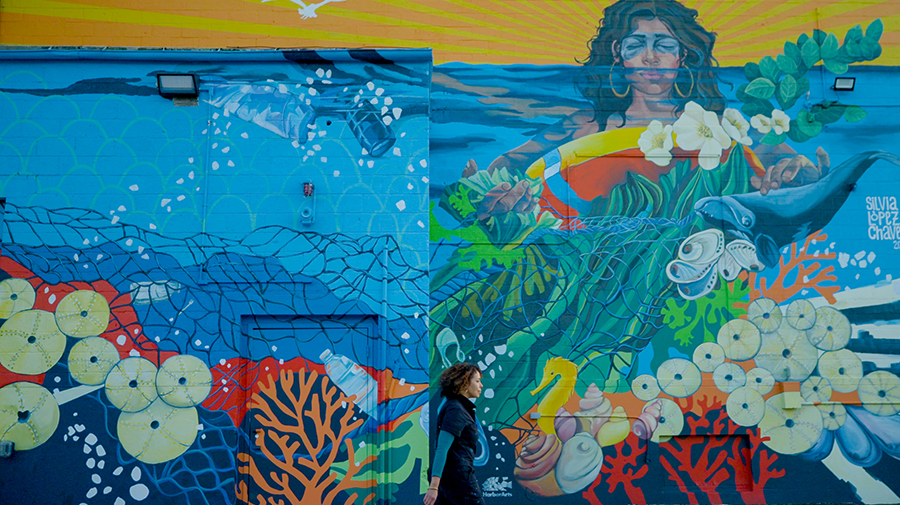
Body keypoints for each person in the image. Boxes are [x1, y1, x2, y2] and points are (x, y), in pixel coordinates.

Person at [468, 0, 828, 223]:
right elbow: (505, 168)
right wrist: (487, 193)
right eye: (636, 44)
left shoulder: (717, 129)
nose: (651, 56)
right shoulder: (587, 127)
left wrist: (802, 174)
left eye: (664, 45)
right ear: (617, 53)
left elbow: (798, 171)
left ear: (681, 55)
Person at [423, 362, 484, 505]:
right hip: (458, 478)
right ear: (464, 384)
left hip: (452, 477)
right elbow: (442, 449)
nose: (481, 385)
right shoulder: (456, 410)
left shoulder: (458, 407)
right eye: (477, 381)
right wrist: (433, 486)